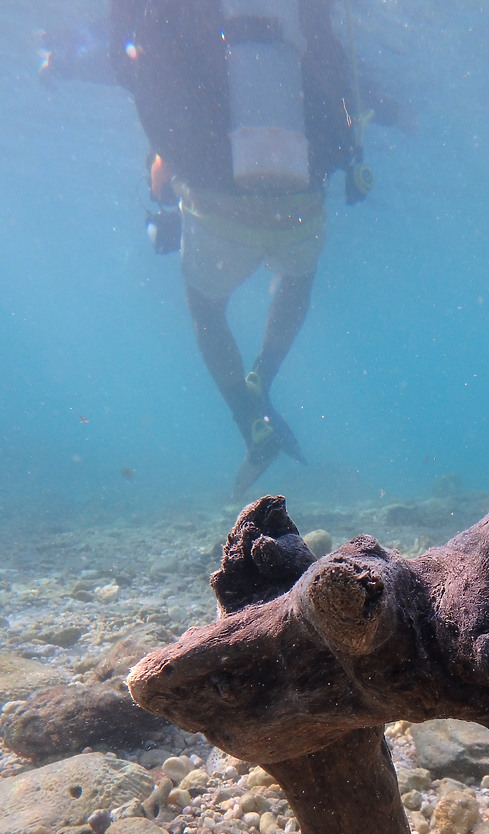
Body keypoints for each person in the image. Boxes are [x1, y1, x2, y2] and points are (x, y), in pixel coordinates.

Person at [49, 0, 371, 496]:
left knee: (205, 307)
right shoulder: (294, 22)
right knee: (297, 278)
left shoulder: (186, 29)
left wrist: (61, 62)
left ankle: (249, 420)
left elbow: (126, 61)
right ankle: (262, 376)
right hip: (302, 194)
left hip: (220, 205)